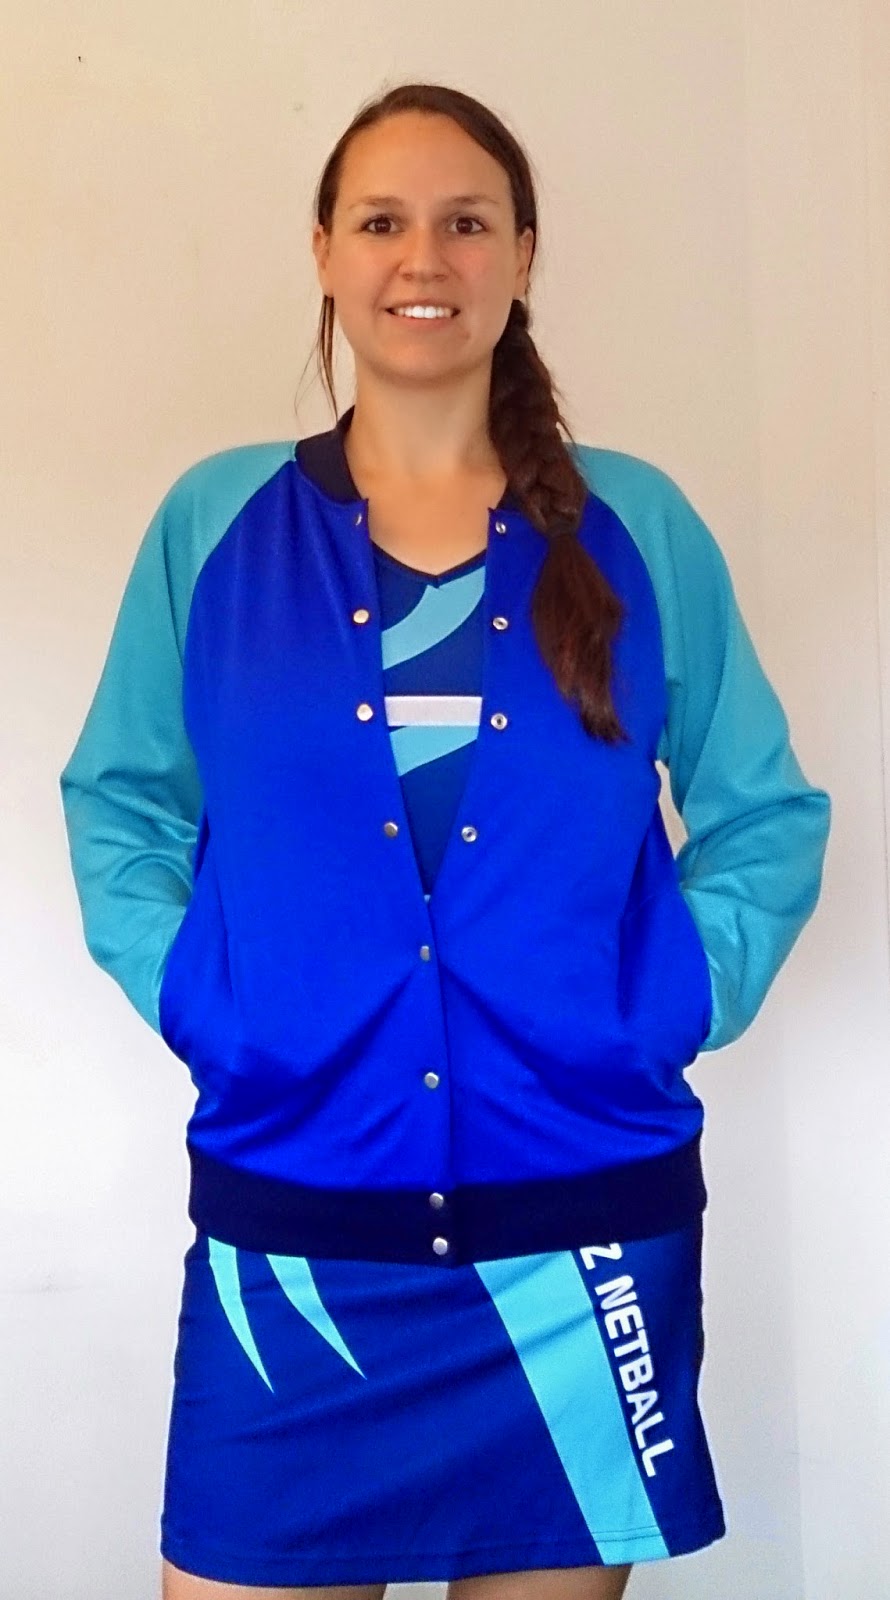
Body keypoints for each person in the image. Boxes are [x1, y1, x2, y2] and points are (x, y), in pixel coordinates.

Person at [59, 81, 831, 1600]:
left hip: (581, 1241)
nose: (427, 257)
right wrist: (208, 994)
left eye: (468, 221)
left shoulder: (637, 525)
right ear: (325, 252)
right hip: (295, 1232)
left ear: (523, 254)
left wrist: (666, 997)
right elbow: (123, 799)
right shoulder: (216, 525)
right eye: (383, 221)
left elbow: (763, 811)